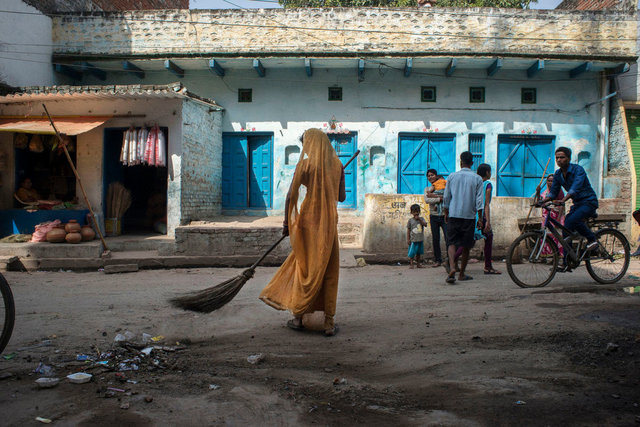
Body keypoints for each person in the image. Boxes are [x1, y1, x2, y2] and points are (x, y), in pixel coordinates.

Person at [259, 129, 346, 337]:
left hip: (307, 222)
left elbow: (291, 196)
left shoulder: (305, 165)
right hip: (327, 225)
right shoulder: (337, 165)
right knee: (328, 269)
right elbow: (341, 197)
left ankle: (298, 318)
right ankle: (328, 324)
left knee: (304, 267)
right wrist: (330, 185)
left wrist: (287, 224)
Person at [539, 146, 598, 272]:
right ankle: (567, 262)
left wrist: (564, 200)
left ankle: (592, 239)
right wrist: (542, 201)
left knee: (572, 221)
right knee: (566, 229)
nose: (559, 160)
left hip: (589, 202)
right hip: (577, 204)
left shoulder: (578, 170)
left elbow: (575, 187)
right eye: (557, 158)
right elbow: (553, 192)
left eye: (562, 157)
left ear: (569, 158)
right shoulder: (558, 174)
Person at [443, 151, 484, 284]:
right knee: (466, 246)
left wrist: (446, 213)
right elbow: (479, 201)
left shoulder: (452, 177)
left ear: (461, 162)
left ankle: (452, 267)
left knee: (451, 243)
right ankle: (461, 274)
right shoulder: (477, 178)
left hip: (454, 214)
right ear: (472, 163)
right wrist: (481, 218)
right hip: (469, 216)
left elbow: (446, 197)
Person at [535, 174, 565, 256]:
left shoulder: (558, 191)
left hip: (555, 216)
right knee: (545, 235)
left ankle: (556, 255)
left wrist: (559, 218)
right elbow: (539, 202)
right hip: (546, 217)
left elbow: (562, 204)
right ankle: (547, 255)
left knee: (556, 236)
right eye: (549, 181)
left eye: (552, 181)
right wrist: (538, 192)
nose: (550, 183)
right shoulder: (545, 192)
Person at [424, 169, 447, 267]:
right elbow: (427, 200)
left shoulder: (444, 186)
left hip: (444, 216)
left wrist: (435, 197)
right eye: (428, 176)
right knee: (435, 239)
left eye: (432, 175)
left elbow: (448, 197)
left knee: (448, 238)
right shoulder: (427, 189)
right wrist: (440, 198)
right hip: (433, 216)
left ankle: (449, 259)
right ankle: (438, 260)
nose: (430, 177)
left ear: (436, 176)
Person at [407, 204, 428, 269]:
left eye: (417, 211)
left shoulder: (422, 219)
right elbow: (408, 230)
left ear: (419, 212)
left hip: (420, 239)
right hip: (413, 240)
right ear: (411, 212)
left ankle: (418, 264)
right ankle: (411, 264)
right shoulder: (410, 220)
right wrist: (408, 239)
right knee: (412, 252)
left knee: (418, 253)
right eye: (414, 212)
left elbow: (425, 225)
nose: (416, 213)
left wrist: (419, 220)